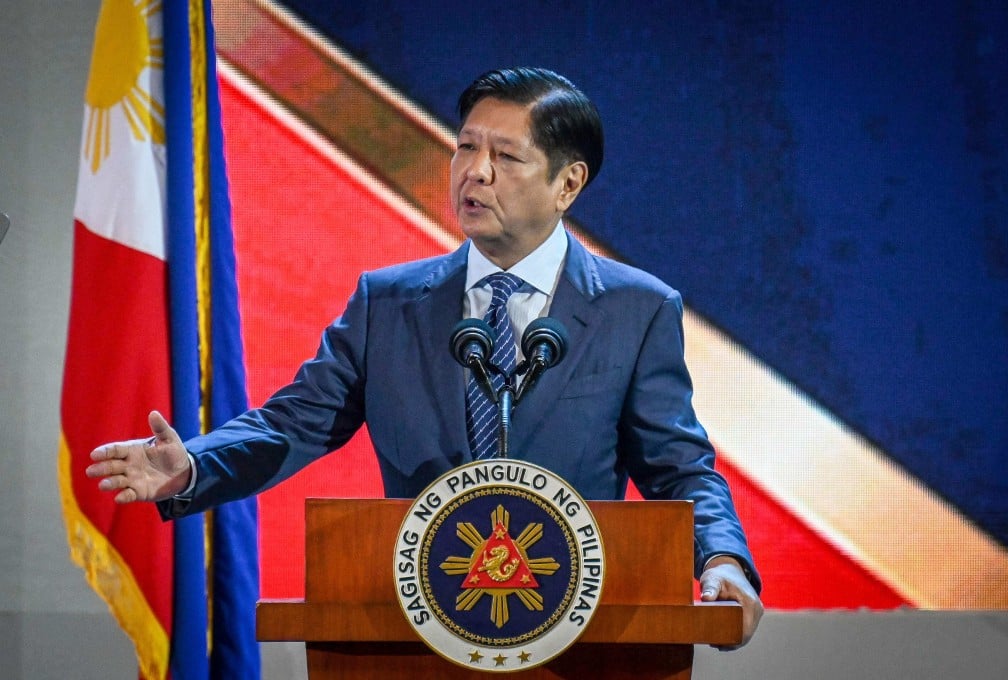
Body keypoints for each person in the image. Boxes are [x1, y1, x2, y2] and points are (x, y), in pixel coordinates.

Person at [87, 67, 764, 648]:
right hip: (415, 630)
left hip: (578, 634)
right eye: (465, 147)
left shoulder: (635, 309)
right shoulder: (389, 303)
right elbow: (293, 424)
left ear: (568, 184)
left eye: (507, 155)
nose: (476, 172)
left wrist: (723, 560)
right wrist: (194, 466)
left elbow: (679, 467)